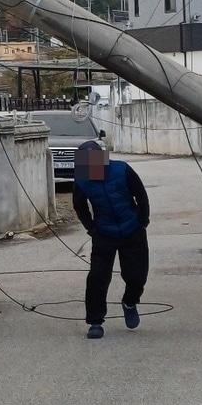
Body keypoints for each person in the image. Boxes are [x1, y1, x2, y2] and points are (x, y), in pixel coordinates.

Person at [72, 141, 150, 339]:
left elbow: (140, 195)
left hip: (132, 229)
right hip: (104, 234)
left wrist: (142, 221)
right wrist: (91, 229)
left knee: (136, 276)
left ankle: (130, 302)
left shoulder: (122, 169)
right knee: (97, 278)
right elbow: (79, 206)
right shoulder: (82, 180)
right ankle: (95, 322)